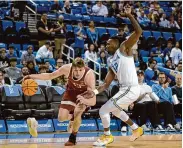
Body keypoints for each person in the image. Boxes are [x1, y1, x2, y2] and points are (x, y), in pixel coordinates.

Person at [92, 5, 143, 147]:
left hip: (130, 89)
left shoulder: (124, 48)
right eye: (106, 43)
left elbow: (139, 31)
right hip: (124, 90)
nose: (106, 44)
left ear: (116, 42)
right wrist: (94, 92)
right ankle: (136, 128)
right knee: (115, 111)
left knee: (103, 110)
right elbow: (105, 84)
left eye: (109, 42)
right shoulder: (111, 61)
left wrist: (130, 15)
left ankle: (107, 136)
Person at [24, 57, 96, 146]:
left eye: (80, 70)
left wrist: (85, 101)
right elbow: (50, 76)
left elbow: (93, 101)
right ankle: (73, 118)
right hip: (70, 93)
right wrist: (31, 76)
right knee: (61, 118)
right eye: (75, 70)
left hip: (84, 95)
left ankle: (72, 138)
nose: (77, 73)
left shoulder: (89, 75)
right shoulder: (66, 68)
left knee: (78, 112)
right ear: (72, 67)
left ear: (84, 68)